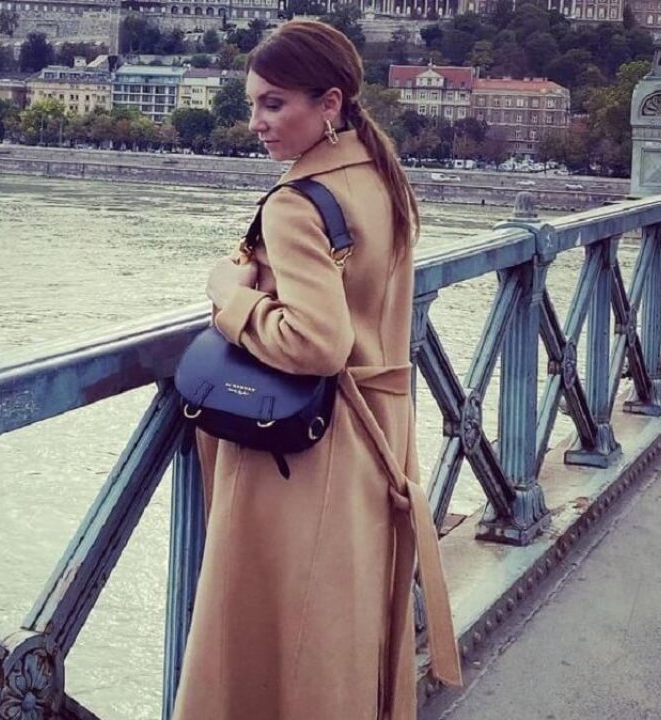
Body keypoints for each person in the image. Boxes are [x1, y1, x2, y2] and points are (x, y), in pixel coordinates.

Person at [172, 19, 463, 720]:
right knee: (337, 638)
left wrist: (230, 297)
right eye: (254, 104)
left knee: (279, 643)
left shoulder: (296, 203)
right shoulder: (381, 178)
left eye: (274, 104)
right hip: (379, 434)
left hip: (305, 453)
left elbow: (317, 342)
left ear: (328, 103)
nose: (257, 122)